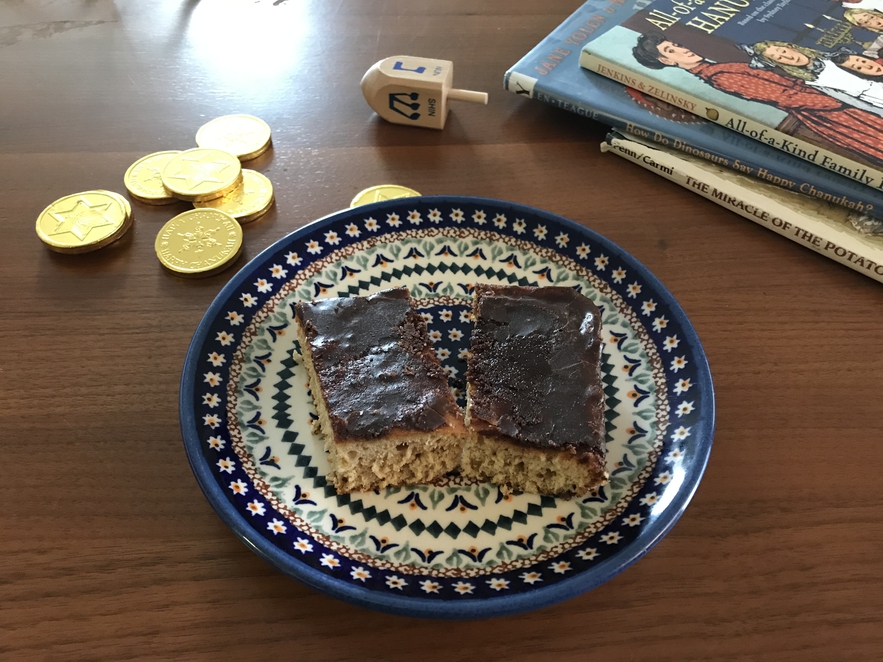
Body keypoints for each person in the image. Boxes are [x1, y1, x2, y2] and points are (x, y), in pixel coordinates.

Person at [632, 32, 883, 165]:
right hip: (829, 114)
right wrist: (835, 102)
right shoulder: (719, 76)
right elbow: (784, 96)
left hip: (828, 105)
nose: (682, 48)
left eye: (675, 43)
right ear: (667, 61)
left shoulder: (718, 67)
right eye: (671, 50)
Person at [746, 41, 883, 113]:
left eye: (783, 51)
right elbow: (854, 102)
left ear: (790, 47)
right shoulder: (812, 82)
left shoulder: (834, 57)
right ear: (778, 63)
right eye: (779, 58)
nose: (788, 57)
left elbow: (871, 67)